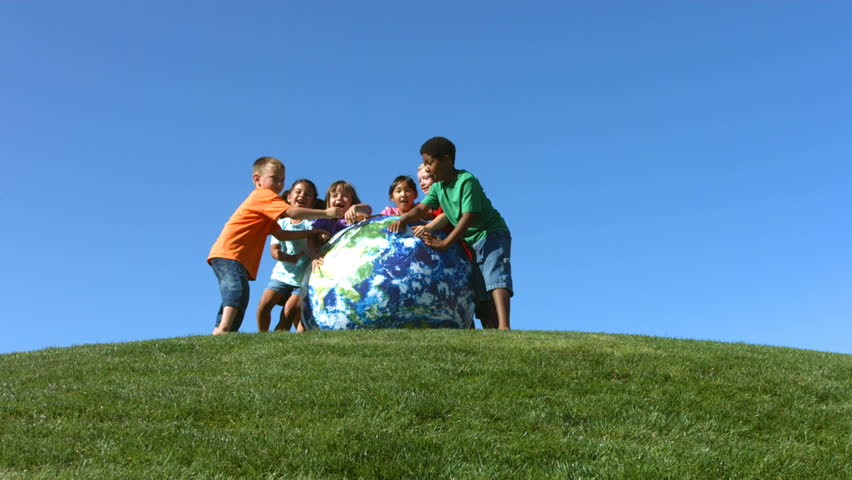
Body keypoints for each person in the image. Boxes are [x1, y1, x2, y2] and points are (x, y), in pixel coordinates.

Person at [207, 157, 342, 335]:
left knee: (240, 295)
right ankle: (224, 328)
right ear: (257, 180)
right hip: (230, 252)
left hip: (236, 257)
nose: (279, 184)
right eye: (274, 178)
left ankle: (225, 331)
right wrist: (325, 212)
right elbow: (291, 211)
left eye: (282, 180)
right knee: (236, 290)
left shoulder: (265, 208)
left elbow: (281, 234)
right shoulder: (264, 196)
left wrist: (309, 233)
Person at [388, 137, 513, 330]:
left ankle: (504, 326)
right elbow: (421, 209)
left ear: (447, 160)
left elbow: (468, 217)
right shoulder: (438, 187)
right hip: (471, 240)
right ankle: (491, 328)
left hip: (491, 233)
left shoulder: (466, 181)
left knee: (494, 274)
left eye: (430, 162)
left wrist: (445, 244)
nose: (427, 168)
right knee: (479, 287)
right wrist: (404, 219)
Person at [256, 179, 320, 333]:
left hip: (302, 279)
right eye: (298, 192)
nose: (302, 195)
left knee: (289, 310)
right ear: (289, 197)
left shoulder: (312, 224)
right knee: (265, 303)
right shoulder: (282, 224)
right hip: (281, 275)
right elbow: (274, 251)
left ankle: (278, 339)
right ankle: (262, 336)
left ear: (312, 203)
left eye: (308, 194)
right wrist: (288, 258)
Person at [308, 180, 372, 269]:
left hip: (351, 262)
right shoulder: (323, 219)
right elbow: (311, 238)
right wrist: (314, 256)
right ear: (328, 201)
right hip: (329, 264)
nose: (339, 198)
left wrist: (355, 208)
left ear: (352, 202)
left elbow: (368, 210)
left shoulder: (355, 217)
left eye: (345, 196)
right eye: (334, 195)